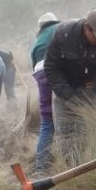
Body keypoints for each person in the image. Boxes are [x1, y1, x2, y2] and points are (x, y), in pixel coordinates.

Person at [44, 7, 96, 158]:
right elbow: (51, 68)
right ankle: (72, 167)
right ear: (87, 28)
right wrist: (68, 95)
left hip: (92, 88)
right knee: (66, 139)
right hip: (65, 89)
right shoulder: (64, 33)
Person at [31, 12, 59, 171]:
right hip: (57, 71)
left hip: (41, 74)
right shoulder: (60, 28)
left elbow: (34, 66)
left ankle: (40, 167)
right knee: (70, 116)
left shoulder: (38, 40)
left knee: (47, 121)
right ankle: (70, 161)